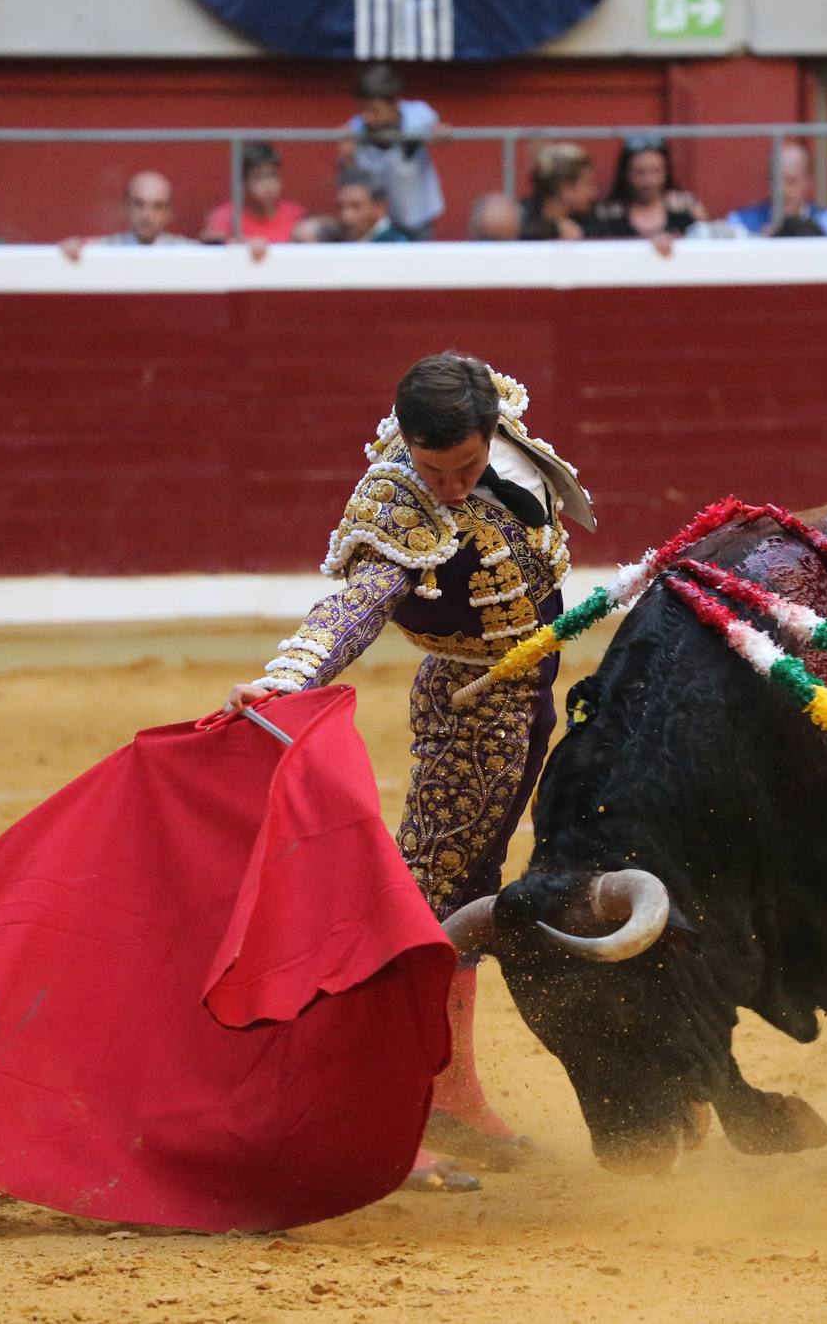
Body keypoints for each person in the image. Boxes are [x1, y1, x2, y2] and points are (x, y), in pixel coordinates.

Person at [223, 353, 595, 1194]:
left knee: (463, 896)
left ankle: (450, 1093)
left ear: (490, 433)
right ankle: (380, 1114)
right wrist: (290, 677)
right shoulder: (398, 499)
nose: (452, 488)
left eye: (465, 467)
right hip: (473, 707)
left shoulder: (500, 429)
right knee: (426, 907)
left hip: (521, 692)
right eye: (433, 470)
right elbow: (357, 603)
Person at [339, 64, 446, 240]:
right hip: (379, 223)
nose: (367, 117)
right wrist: (347, 156)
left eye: (374, 110)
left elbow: (435, 131)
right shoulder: (355, 129)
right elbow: (351, 179)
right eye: (362, 109)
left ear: (395, 103)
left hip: (417, 216)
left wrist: (438, 134)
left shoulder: (418, 115)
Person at [727, 142, 827, 237]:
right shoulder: (741, 222)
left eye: (791, 181)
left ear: (807, 182)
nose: (781, 190)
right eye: (774, 180)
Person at [591, 137, 707, 244]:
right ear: (625, 174)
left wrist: (701, 222)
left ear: (666, 172)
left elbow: (704, 246)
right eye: (640, 172)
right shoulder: (609, 214)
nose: (648, 181)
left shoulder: (684, 209)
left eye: (656, 171)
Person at [58, 171, 196, 261]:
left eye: (158, 206)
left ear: (169, 213)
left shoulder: (190, 251)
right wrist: (72, 247)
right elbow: (75, 246)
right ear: (125, 207)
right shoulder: (103, 248)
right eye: (138, 204)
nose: (147, 215)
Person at [201, 142, 308, 247]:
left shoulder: (294, 214)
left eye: (273, 176)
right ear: (243, 183)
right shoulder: (227, 216)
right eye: (258, 178)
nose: (268, 185)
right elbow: (211, 247)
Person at [517, 143, 595, 242]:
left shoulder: (590, 219)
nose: (592, 193)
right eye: (588, 183)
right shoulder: (520, 218)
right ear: (566, 189)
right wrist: (554, 229)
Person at [336, 173, 411, 243]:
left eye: (356, 206)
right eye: (340, 207)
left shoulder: (396, 247)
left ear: (381, 207)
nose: (346, 217)